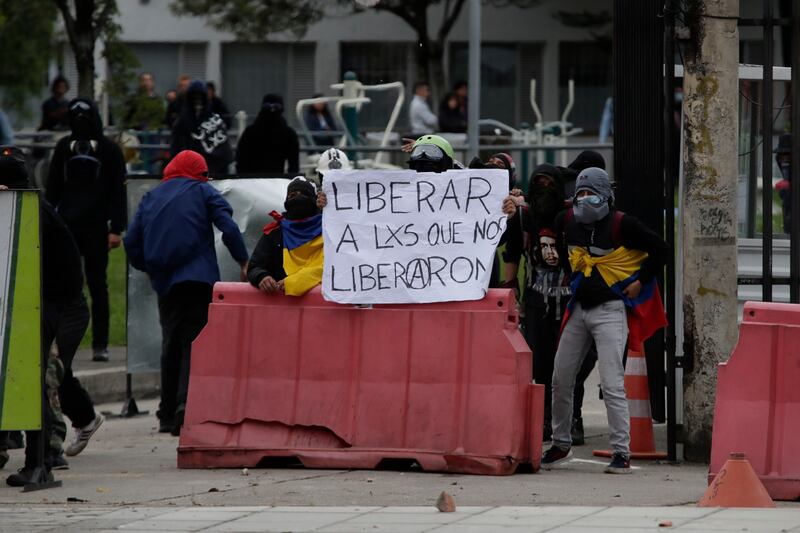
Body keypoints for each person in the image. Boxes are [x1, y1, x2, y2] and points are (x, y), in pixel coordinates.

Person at [540, 167, 667, 474]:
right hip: (579, 306)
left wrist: (640, 281)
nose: (584, 200)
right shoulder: (565, 221)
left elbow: (660, 249)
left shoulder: (623, 224)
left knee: (612, 382)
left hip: (611, 309)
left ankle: (621, 451)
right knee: (560, 377)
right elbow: (562, 251)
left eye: (591, 194)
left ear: (606, 196)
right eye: (580, 194)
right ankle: (560, 443)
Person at [124, 150, 249, 436]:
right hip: (199, 279)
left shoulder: (151, 197)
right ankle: (186, 403)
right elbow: (227, 227)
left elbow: (132, 240)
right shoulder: (203, 192)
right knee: (194, 341)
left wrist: (147, 266)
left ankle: (166, 413)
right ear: (198, 174)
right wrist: (243, 260)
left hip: (166, 283)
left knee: (170, 342)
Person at [0, 146, 104, 487]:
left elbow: (65, 279)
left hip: (65, 309)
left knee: (43, 378)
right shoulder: (18, 212)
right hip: (41, 306)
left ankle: (42, 458)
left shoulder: (32, 214)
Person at [46, 98, 126, 363]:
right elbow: (53, 189)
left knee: (98, 285)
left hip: (97, 228)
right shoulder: (63, 149)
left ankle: (100, 344)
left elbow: (118, 191)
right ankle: (57, 341)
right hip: (67, 227)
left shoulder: (109, 151)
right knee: (63, 286)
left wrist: (116, 228)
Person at [248, 177, 323, 297]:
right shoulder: (275, 232)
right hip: (282, 308)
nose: (298, 198)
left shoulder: (330, 229)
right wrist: (262, 277)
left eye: (304, 194)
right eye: (293, 195)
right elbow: (254, 267)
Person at [170, 80, 233, 174]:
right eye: (194, 96)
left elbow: (224, 149)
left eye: (200, 96)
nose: (197, 100)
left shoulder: (213, 117)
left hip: (217, 171)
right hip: (192, 170)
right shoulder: (183, 120)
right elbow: (177, 146)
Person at [236, 94, 299, 175]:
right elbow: (294, 167)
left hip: (251, 181)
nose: (272, 109)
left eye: (275, 107)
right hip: (275, 182)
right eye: (268, 106)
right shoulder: (289, 133)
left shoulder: (250, 132)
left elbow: (240, 160)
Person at [775, 133, 792, 234]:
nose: (784, 160)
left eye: (787, 156)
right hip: (788, 204)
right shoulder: (782, 163)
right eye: (782, 156)